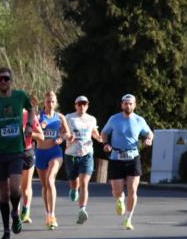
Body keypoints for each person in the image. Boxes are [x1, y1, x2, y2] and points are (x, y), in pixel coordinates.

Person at [0, 68, 37, 239]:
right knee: (3, 194)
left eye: (6, 79)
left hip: (16, 151)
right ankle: (6, 231)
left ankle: (15, 213)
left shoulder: (20, 96)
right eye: (0, 79)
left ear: (11, 80)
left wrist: (29, 125)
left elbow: (32, 109)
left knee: (16, 188)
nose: (3, 81)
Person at [101, 94, 154, 230]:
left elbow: (149, 133)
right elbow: (104, 132)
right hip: (116, 157)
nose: (128, 106)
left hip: (133, 157)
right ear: (122, 105)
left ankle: (128, 219)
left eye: (130, 103)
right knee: (117, 191)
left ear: (134, 105)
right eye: (126, 103)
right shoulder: (114, 119)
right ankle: (120, 199)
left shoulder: (139, 120)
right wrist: (106, 143)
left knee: (133, 190)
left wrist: (149, 139)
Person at [34, 91, 70, 230]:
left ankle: (52, 215)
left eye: (53, 101)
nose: (50, 104)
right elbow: (30, 133)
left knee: (50, 181)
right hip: (41, 153)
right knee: (44, 185)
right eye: (48, 101)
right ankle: (47, 212)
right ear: (45, 102)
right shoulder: (38, 117)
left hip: (55, 153)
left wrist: (61, 138)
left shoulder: (60, 117)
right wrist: (38, 135)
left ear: (56, 103)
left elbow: (67, 133)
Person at [65, 95, 101, 224]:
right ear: (75, 105)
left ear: (87, 105)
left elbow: (94, 133)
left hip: (87, 154)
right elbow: (62, 131)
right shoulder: (69, 117)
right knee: (75, 183)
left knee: (84, 183)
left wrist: (100, 138)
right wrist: (68, 137)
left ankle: (82, 210)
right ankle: (74, 189)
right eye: (79, 104)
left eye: (84, 104)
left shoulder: (91, 119)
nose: (82, 106)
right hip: (71, 154)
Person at [18, 99, 43, 226]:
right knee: (15, 187)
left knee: (26, 188)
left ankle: (26, 209)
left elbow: (41, 136)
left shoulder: (29, 116)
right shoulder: (9, 116)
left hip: (27, 153)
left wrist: (29, 133)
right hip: (13, 154)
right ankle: (15, 215)